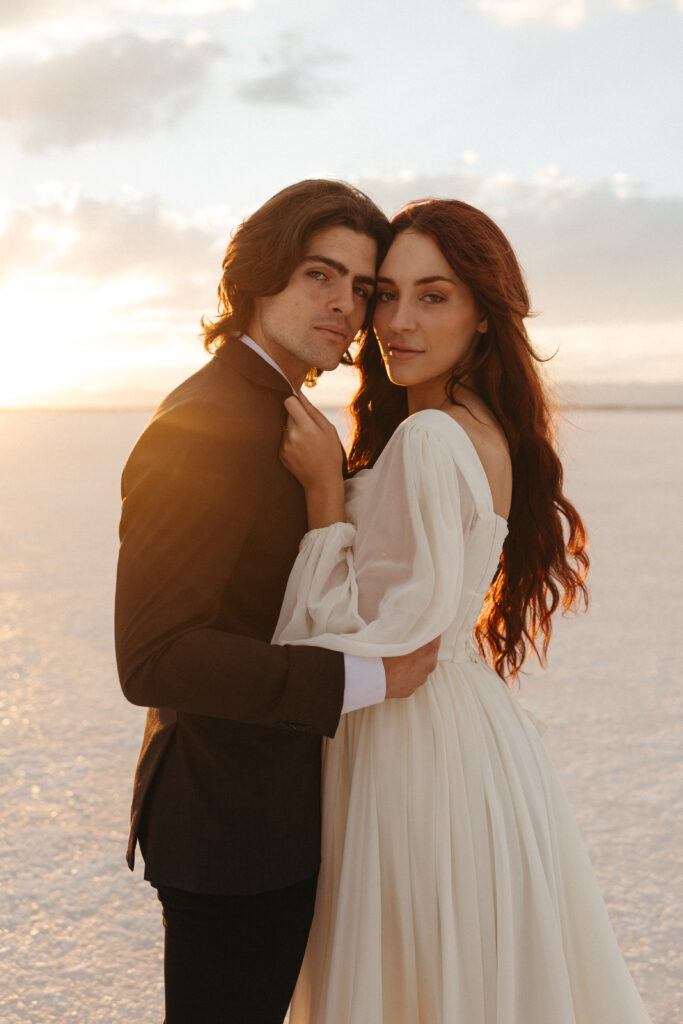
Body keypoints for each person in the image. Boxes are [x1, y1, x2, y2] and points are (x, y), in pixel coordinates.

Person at [274, 199, 652, 1022]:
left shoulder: (432, 439)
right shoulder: (476, 428)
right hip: (462, 733)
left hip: (410, 745)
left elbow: (349, 639)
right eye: (386, 295)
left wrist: (318, 497)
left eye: (434, 296)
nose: (397, 322)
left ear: (484, 314)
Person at [114, 179, 440, 1024]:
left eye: (361, 290)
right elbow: (157, 657)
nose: (345, 306)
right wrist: (366, 678)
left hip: (276, 816)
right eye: (318, 276)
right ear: (259, 279)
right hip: (231, 832)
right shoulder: (208, 424)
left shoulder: (284, 409)